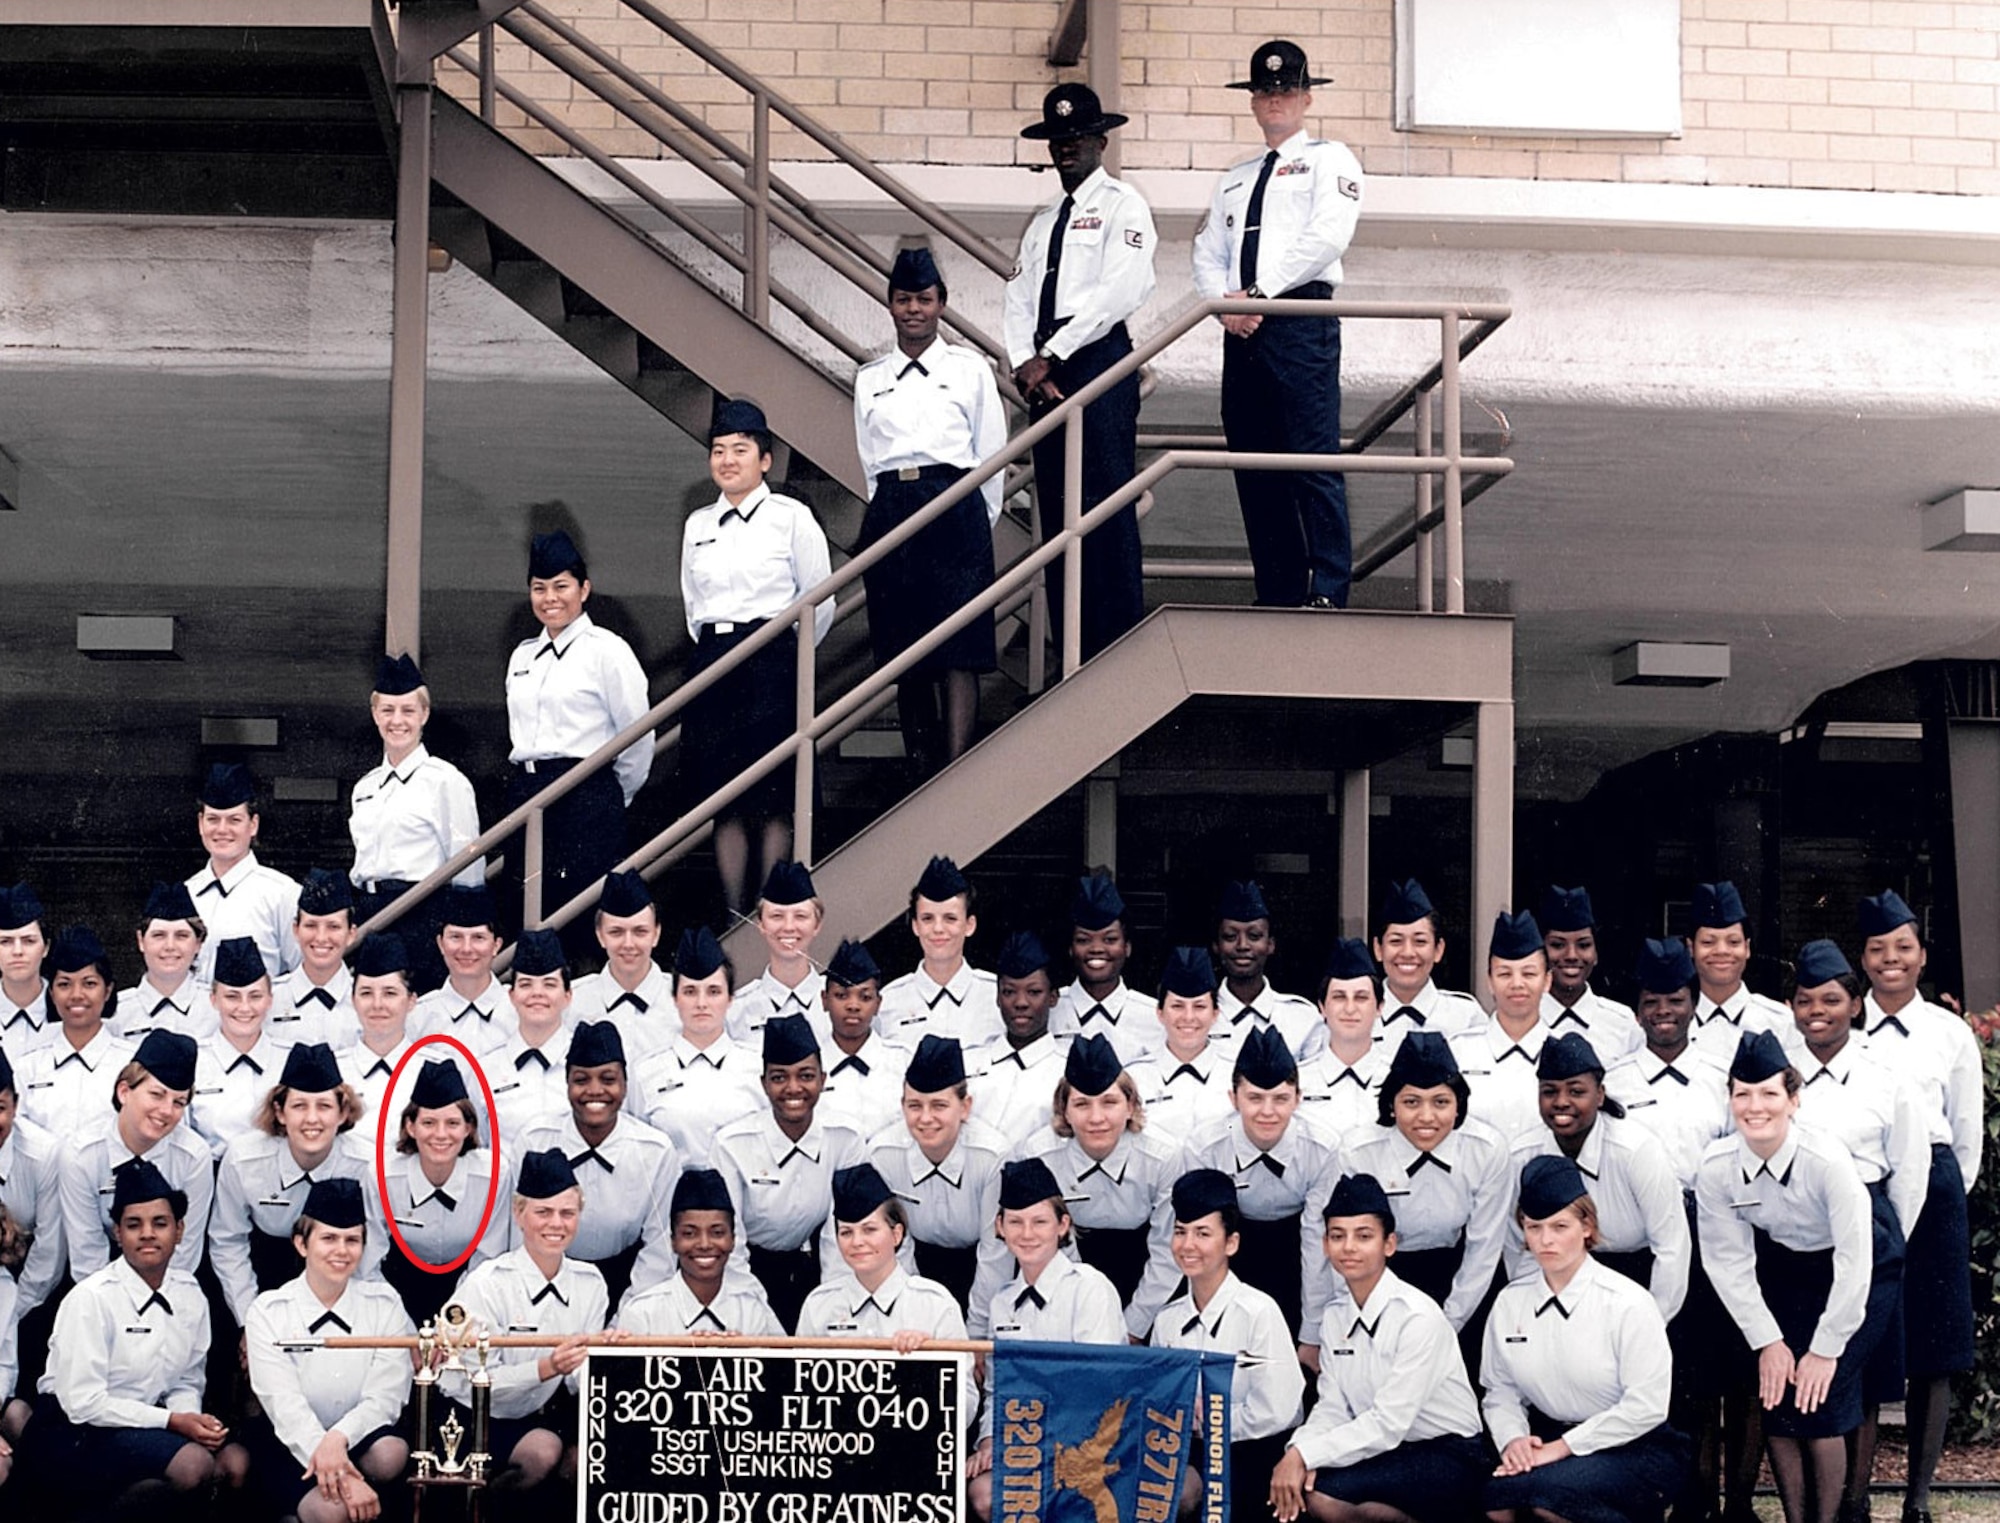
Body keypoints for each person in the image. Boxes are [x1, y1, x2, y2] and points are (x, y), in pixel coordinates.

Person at [1191, 40, 1363, 610]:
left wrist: (1260, 293)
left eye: (1286, 89)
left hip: (1299, 318)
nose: (1275, 100)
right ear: (1252, 102)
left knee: (1311, 460)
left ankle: (1329, 589)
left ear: (1307, 97)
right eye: (1265, 91)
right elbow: (1207, 251)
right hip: (1241, 327)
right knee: (1255, 463)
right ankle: (1280, 591)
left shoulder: (1330, 160)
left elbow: (1325, 239)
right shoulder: (1235, 179)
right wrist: (1227, 304)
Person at [1696, 1031, 1878, 1523]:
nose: (1756, 1107)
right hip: (1791, 1270)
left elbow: (1855, 1262)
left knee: (1822, 1397)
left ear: (1794, 1100)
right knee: (1778, 1389)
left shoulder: (1827, 1162)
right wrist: (1768, 1341)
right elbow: (1726, 1261)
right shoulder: (1716, 1169)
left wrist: (1826, 1347)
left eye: (1770, 1093)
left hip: (1865, 1270)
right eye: (1742, 1094)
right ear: (1730, 1099)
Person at [1001, 82, 1156, 662]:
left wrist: (1055, 353)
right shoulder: (1043, 222)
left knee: (1105, 505)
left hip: (1092, 358)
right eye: (1058, 139)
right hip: (1045, 369)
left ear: (1101, 140)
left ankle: (1115, 648)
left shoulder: (1123, 205)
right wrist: (1025, 361)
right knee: (1060, 509)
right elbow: (1018, 294)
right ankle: (1071, 648)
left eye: (1078, 137)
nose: (1067, 147)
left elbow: (1118, 291)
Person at [1784, 939, 1929, 1523]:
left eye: (1831, 999)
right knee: (1796, 1380)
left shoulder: (1884, 1078)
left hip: (1869, 1233)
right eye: (1804, 1000)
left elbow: (1911, 1174)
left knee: (1847, 1380)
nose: (1817, 1011)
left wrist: (1883, 1241)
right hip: (1795, 1240)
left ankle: (1852, 1506)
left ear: (1855, 1006)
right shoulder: (1778, 1074)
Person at [16, 1160, 248, 1513]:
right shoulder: (91, 1297)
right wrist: (172, 1422)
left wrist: (192, 1422)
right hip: (75, 1432)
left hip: (142, 1425)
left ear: (180, 1230)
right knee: (193, 1467)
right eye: (133, 1225)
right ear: (117, 1234)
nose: (148, 1234)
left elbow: (186, 1380)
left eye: (160, 1223)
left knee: (234, 1461)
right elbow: (84, 1403)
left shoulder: (190, 1294)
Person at [679, 398, 836, 915]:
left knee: (771, 798)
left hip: (772, 663)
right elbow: (692, 607)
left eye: (740, 450)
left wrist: (786, 658)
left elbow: (821, 601)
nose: (727, 460)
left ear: (765, 460)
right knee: (725, 800)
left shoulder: (791, 519)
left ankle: (770, 909)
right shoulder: (698, 523)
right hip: (715, 661)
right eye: (719, 451)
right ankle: (733, 911)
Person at [854, 245, 1007, 772]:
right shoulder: (870, 378)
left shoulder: (968, 370)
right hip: (895, 506)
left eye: (923, 298)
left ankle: (958, 761)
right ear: (890, 305)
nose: (913, 309)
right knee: (904, 644)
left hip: (955, 507)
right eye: (903, 299)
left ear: (942, 304)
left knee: (959, 645)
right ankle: (920, 762)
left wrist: (969, 523)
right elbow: (870, 462)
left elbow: (991, 453)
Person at [1853, 891, 1980, 1523]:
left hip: (1935, 1192)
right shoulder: (1847, 1029)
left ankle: (1919, 1500)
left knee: (1935, 1348)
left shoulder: (1949, 1033)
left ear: (1922, 956)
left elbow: (1966, 1135)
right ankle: (1855, 1495)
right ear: (1864, 958)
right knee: (1870, 1340)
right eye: (1878, 949)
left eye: (1903, 947)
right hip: (1869, 1189)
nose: (1890, 960)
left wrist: (1940, 1192)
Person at [1605, 939, 1739, 1523]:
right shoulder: (1614, 1081)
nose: (1665, 1011)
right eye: (1654, 1001)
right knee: (1641, 1367)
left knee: (1702, 1373)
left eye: (1676, 1000)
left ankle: (1701, 1499)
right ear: (1638, 1009)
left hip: (1708, 1233)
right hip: (1640, 1241)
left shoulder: (1717, 1078)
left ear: (1693, 1004)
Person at [1269, 1173, 1487, 1523]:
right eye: (1337, 1236)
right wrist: (1299, 1450)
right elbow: (1333, 1406)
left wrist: (1308, 1456)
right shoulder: (1336, 1315)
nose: (1349, 1247)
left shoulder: (1417, 1316)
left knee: (1325, 1496)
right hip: (1384, 1450)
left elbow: (1390, 1422)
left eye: (1364, 1236)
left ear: (1389, 1244)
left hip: (1448, 1453)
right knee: (1305, 1490)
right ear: (1324, 1245)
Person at [1482, 1155, 1689, 1523]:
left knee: (1550, 1499)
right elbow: (1500, 1390)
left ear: (1587, 1227)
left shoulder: (1627, 1302)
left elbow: (1646, 1406)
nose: (1545, 1240)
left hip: (1633, 1445)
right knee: (1497, 1501)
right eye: (1534, 1227)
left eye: (1560, 1226)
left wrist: (1562, 1448)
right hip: (1546, 1440)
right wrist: (1514, 1441)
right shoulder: (1510, 1302)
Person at [504, 527, 653, 959]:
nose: (550, 598)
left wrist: (608, 794)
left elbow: (637, 737)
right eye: (539, 588)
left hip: (585, 795)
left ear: (584, 589)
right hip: (528, 792)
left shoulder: (606, 651)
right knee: (530, 917)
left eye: (561, 586)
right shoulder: (522, 656)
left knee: (582, 923)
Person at [444, 1148, 613, 1507]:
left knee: (589, 1458)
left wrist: (607, 1361)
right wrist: (548, 1366)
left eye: (568, 1213)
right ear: (519, 1214)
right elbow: (474, 1383)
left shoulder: (591, 1283)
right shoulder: (486, 1283)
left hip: (540, 1411)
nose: (557, 1223)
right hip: (473, 1415)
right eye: (543, 1212)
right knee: (542, 1452)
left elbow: (576, 1377)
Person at [242, 1178, 413, 1523]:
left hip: (356, 1437)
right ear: (301, 1244)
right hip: (290, 1443)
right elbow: (283, 1403)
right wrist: (340, 1470)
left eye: (352, 1240)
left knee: (391, 1453)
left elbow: (386, 1397)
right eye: (329, 1238)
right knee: (334, 1512)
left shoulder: (385, 1304)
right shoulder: (268, 1310)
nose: (341, 1250)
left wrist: (338, 1439)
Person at [1329, 1031, 1509, 1359]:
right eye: (1411, 1102)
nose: (1426, 1117)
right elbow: (1346, 1245)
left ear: (1459, 1106)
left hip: (1461, 1277)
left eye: (1441, 1102)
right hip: (1384, 1273)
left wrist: (1448, 1322)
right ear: (1391, 1106)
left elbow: (1484, 1249)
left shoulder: (1487, 1150)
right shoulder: (1359, 1152)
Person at [968, 1157, 1127, 1522]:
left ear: (1063, 1225)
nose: (1027, 1234)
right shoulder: (1002, 1303)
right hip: (1026, 1445)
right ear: (1000, 1228)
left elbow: (1097, 1389)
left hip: (1094, 1443)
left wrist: (1034, 1448)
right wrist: (991, 1442)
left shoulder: (1089, 1287)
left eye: (1040, 1222)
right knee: (983, 1493)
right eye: (1016, 1223)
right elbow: (998, 1391)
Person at [1152, 1168, 1304, 1523]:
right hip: (1193, 1452)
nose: (1188, 1245)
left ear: (1231, 1243)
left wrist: (1213, 1422)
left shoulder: (1258, 1311)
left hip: (1253, 1453)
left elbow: (1280, 1409)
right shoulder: (1167, 1321)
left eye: (1203, 1234)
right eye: (1180, 1233)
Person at [1506, 1032, 1691, 1324]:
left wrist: (1651, 1324)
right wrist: (1538, 1315)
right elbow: (1519, 1251)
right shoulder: (1522, 1156)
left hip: (1638, 1278)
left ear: (1600, 1094)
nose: (1562, 1102)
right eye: (1549, 1091)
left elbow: (1672, 1249)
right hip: (1558, 1281)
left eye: (1576, 1091)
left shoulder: (1636, 1150)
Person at [1181, 1025, 1341, 1340]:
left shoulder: (1322, 1148)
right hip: (1233, 1246)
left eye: (1280, 1098)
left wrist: (1312, 1332)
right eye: (1255, 1098)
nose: (1267, 1112)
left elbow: (1316, 1241)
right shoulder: (1205, 1147)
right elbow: (1203, 1239)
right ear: (1234, 1098)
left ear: (1298, 1099)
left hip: (1295, 1252)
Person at [1021, 1032, 1183, 1339]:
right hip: (1068, 1271)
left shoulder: (1163, 1156)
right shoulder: (1040, 1154)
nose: (1097, 1118)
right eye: (1082, 1104)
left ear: (1131, 1105)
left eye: (1109, 1102)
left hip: (1149, 1277)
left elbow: (1167, 1249)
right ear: (1064, 1110)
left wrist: (1135, 1327)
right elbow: (1049, 1246)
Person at [210, 1042, 377, 1335]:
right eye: (299, 1106)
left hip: (343, 1271)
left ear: (342, 1113)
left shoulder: (366, 1165)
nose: (311, 1119)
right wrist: (250, 1324)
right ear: (280, 1112)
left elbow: (370, 1252)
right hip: (264, 1270)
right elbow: (228, 1242)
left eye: (324, 1106)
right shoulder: (243, 1160)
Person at [712, 1012, 866, 1331]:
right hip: (749, 1270)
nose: (793, 1088)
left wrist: (833, 1308)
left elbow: (841, 1233)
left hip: (816, 1267)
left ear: (823, 1079)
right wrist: (754, 1313)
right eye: (780, 1077)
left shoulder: (845, 1138)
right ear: (764, 1084)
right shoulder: (732, 1145)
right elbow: (731, 1238)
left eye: (806, 1076)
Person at [514, 1020, 682, 1309]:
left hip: (630, 1280)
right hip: (547, 1275)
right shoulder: (535, 1140)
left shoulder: (655, 1151)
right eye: (581, 1080)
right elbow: (514, 1232)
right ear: (566, 1084)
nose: (595, 1090)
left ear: (625, 1085)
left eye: (608, 1079)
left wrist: (630, 1314)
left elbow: (660, 1249)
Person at [349, 649, 482, 994]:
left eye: (408, 710)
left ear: (424, 714)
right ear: (375, 713)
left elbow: (467, 870)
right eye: (388, 710)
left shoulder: (445, 781)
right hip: (369, 913)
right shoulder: (365, 787)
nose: (398, 720)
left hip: (421, 915)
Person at [865, 1034, 1011, 1333]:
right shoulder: (883, 1153)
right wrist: (911, 1322)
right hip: (914, 1268)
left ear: (965, 1106)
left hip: (979, 1271)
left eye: (939, 1105)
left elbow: (995, 1255)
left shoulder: (992, 1156)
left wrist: (977, 1335)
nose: (926, 1118)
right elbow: (896, 1250)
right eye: (914, 1105)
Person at [63, 1030, 214, 1282]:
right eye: (156, 1094)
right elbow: (86, 1254)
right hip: (98, 1279)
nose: (166, 1111)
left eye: (179, 1102)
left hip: (167, 1279)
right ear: (124, 1092)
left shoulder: (193, 1157)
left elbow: (183, 1254)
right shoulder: (81, 1155)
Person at [380, 1057, 507, 1323]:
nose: (440, 1134)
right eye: (428, 1123)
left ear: (469, 1127)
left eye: (452, 1123)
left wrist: (454, 1325)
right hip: (397, 1288)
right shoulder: (382, 1175)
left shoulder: (495, 1174)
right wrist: (398, 1329)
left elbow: (487, 1260)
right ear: (410, 1126)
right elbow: (370, 1263)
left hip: (470, 1287)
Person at [629, 927, 764, 1168]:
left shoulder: (757, 1067)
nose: (701, 1003)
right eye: (690, 992)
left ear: (730, 998)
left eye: (714, 992)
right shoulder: (645, 1073)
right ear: (674, 999)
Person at [796, 1163, 969, 1350]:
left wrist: (929, 1354)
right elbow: (798, 1376)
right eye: (846, 1232)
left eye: (869, 1230)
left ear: (896, 1234)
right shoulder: (819, 1306)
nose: (857, 1242)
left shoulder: (935, 1305)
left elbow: (962, 1378)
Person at [614, 1168, 782, 1335]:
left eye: (717, 1233)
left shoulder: (751, 1309)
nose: (704, 1244)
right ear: (673, 1241)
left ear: (733, 1240)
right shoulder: (642, 1312)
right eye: (689, 1233)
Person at [185, 761, 302, 984]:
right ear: (201, 824)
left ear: (253, 825)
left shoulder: (282, 894)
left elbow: (302, 973)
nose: (222, 830)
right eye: (213, 819)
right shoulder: (186, 893)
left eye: (234, 820)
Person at [1449, 909, 1553, 1144]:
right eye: (1504, 974)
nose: (1517, 984)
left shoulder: (1565, 1050)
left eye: (1529, 973)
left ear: (1547, 980)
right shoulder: (1459, 1052)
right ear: (1489, 981)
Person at [875, 856, 1001, 1049]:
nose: (938, 929)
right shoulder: (888, 1002)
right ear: (915, 926)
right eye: (927, 919)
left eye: (950, 918)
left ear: (970, 925)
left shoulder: (996, 997)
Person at [13, 925, 132, 1129]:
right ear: (51, 993)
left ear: (108, 990)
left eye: (89, 984)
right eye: (64, 984)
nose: (76, 995)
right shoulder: (28, 1068)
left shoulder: (132, 1064)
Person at [966, 930, 1069, 1147]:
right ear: (997, 997)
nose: (1020, 1002)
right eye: (1009, 992)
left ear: (1053, 997)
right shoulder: (968, 1062)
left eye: (1034, 992)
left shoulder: (1068, 1070)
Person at [1125, 947, 1237, 1144]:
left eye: (1199, 1006)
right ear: (1160, 1013)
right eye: (1177, 1006)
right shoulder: (1134, 1079)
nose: (1188, 1017)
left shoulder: (1236, 1075)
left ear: (1215, 1014)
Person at [1049, 870, 1163, 1063]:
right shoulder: (1050, 1011)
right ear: (1070, 948)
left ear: (1127, 947)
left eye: (1110, 939)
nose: (1096, 949)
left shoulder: (1154, 1018)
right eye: (1083, 940)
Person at [566, 867, 677, 1058]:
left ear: (656, 934)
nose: (628, 944)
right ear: (600, 935)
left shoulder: (683, 1000)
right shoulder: (570, 1002)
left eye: (640, 932)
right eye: (616, 932)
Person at [1213, 879, 1323, 1059]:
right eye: (1230, 936)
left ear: (1270, 945)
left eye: (1254, 936)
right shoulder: (1195, 1016)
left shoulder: (1303, 1018)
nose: (1242, 945)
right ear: (1216, 945)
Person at [487, 929, 578, 1140]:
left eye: (549, 984)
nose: (537, 993)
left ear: (568, 996)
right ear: (511, 996)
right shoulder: (485, 1071)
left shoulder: (591, 1068)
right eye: (526, 984)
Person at [724, 860, 828, 1043]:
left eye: (800, 916)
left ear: (817, 924)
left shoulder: (843, 1003)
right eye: (777, 916)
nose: (788, 927)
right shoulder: (736, 1012)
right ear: (761, 924)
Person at [816, 939, 910, 1141]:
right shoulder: (809, 1068)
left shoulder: (904, 1062)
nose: (853, 1005)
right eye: (841, 995)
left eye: (865, 997)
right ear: (824, 1000)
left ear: (878, 1003)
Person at [1372, 879, 1484, 1040]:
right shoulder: (1354, 1015)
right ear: (1378, 948)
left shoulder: (1466, 1017)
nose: (1408, 953)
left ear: (1438, 949)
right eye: (1396, 941)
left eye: (1420, 941)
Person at [1539, 885, 1641, 1062]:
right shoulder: (1523, 1018)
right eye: (1557, 945)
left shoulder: (1622, 1023)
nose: (1571, 955)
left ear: (1596, 954)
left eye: (1583, 945)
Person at [1686, 881, 1787, 1057]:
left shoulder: (1781, 1022)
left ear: (1747, 948)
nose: (1722, 951)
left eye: (1733, 942)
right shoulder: (1675, 1022)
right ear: (1691, 948)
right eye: (1708, 942)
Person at [413, 883, 516, 1056]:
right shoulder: (418, 1016)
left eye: (478, 937)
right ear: (441, 944)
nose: (466, 948)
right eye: (456, 937)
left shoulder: (520, 1010)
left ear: (496, 945)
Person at [1297, 938, 1387, 1132]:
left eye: (1361, 998)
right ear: (1322, 1007)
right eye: (1339, 997)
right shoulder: (1298, 1080)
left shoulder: (1397, 1077)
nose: (1350, 1008)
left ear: (1380, 1007)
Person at [334, 932, 426, 1122]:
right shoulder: (333, 1070)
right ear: (353, 1001)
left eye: (390, 993)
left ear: (411, 1001)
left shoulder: (433, 1070)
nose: (377, 1005)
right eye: (366, 993)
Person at [113, 882, 217, 1042]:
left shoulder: (219, 1009)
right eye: (159, 935)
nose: (170, 946)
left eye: (181, 935)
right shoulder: (115, 1011)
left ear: (198, 943)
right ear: (141, 941)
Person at [272, 868, 356, 1047]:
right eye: (310, 925)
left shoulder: (366, 1002)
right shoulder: (270, 1000)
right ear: (295, 929)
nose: (321, 937)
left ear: (351, 933)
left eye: (333, 926)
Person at [0, 883, 51, 1059]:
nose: (17, 951)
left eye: (29, 941)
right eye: (5, 942)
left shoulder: (69, 1009)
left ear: (46, 947)